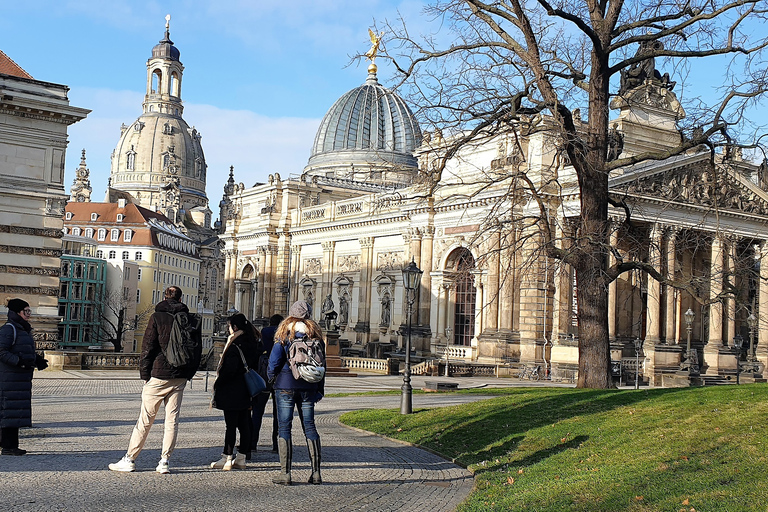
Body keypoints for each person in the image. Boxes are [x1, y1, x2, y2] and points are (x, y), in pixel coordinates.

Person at [109, 286, 201, 474]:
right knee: (172, 420)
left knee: (145, 420)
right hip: (180, 376)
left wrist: (145, 375)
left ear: (164, 297)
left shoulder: (157, 317)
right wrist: (188, 373)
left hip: (159, 374)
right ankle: (164, 461)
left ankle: (130, 459)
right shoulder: (189, 319)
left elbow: (147, 348)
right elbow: (197, 350)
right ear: (181, 299)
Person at [267, 300, 325, 485]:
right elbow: (323, 366)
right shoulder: (315, 336)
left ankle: (286, 473)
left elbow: (274, 362)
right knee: (310, 427)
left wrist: (271, 379)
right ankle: (316, 473)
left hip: (285, 385)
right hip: (309, 386)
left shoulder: (285, 334)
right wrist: (319, 389)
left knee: (284, 427)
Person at [209, 313, 260, 470]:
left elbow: (230, 370)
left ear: (235, 327)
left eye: (229, 326)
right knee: (244, 423)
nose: (228, 329)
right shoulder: (253, 342)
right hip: (246, 389)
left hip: (232, 389)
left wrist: (218, 383)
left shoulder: (235, 344)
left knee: (230, 425)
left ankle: (227, 457)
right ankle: (242, 457)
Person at [0, 299, 47, 456]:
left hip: (18, 379)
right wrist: (19, 362)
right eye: (25, 311)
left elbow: (23, 350)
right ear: (17, 312)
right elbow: (1, 351)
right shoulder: (9, 329)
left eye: (29, 311)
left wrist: (37, 360)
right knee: (8, 412)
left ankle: (9, 445)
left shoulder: (23, 330)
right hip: (9, 379)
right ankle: (8, 447)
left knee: (13, 412)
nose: (28, 314)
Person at [251, 313, 283, 453]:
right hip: (280, 378)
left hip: (264, 376)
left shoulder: (264, 332)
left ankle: (252, 443)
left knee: (257, 412)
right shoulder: (284, 335)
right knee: (279, 414)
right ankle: (277, 445)